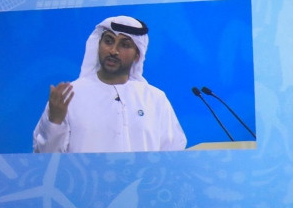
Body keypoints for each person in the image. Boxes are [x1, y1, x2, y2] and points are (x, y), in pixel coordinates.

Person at [33, 15, 186, 153]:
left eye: (124, 45)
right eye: (108, 41)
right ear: (98, 45)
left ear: (137, 56)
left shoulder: (154, 99)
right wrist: (54, 122)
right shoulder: (69, 96)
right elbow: (44, 160)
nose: (113, 51)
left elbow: (172, 155)